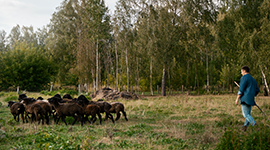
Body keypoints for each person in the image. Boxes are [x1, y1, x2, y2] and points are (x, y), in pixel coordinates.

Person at [235, 66, 260, 131]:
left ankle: (254, 125)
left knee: (245, 114)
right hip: (251, 99)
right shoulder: (253, 79)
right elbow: (257, 90)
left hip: (245, 99)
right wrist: (251, 95)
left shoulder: (244, 78)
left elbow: (241, 89)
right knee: (248, 114)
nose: (241, 73)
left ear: (244, 71)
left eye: (241, 71)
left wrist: (237, 98)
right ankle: (245, 127)